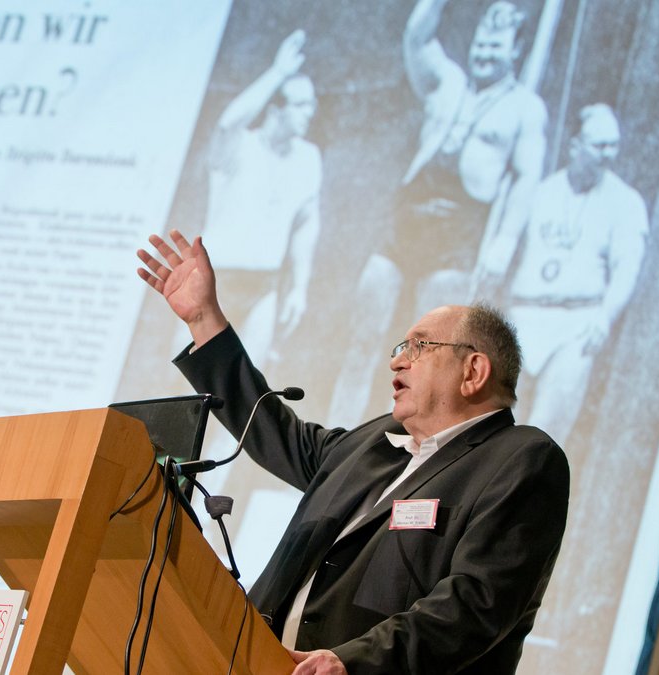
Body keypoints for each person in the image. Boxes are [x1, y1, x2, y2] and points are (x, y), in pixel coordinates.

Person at [136, 230, 569, 675]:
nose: (396, 361)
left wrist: (351, 662)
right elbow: (270, 430)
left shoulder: (521, 460)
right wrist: (205, 320)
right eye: (401, 348)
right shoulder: (374, 442)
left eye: (419, 346)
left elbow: (475, 604)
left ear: (473, 371)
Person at [329, 0, 547, 425]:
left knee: (433, 365)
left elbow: (525, 184)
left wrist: (501, 248)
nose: (483, 52)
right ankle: (337, 446)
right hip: (406, 223)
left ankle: (412, 463)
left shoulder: (524, 108)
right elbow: (417, 37)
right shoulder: (448, 81)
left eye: (495, 46)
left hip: (457, 234)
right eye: (480, 43)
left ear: (516, 51)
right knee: (362, 336)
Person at [481, 103, 648, 446]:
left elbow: (626, 269)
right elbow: (507, 244)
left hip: (576, 324)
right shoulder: (541, 191)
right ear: (575, 145)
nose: (608, 154)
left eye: (613, 145)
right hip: (524, 318)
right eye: (599, 145)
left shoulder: (626, 203)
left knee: (544, 432)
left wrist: (604, 318)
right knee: (496, 426)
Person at [198, 28, 322, 368]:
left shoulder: (308, 158)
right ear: (275, 110)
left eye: (312, 104)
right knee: (187, 386)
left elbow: (305, 224)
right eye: (300, 105)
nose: (309, 113)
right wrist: (278, 73)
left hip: (263, 285)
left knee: (248, 388)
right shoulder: (240, 145)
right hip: (214, 283)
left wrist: (299, 287)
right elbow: (228, 121)